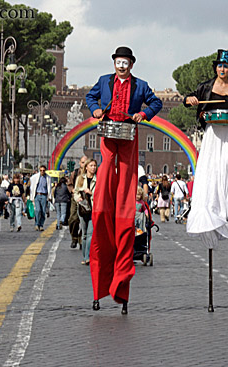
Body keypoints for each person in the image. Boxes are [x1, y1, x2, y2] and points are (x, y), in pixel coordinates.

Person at [86, 46, 163, 314]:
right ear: (115, 64)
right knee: (106, 169)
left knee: (128, 174)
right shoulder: (104, 81)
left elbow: (156, 102)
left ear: (131, 64)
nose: (121, 66)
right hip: (108, 133)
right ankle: (104, 201)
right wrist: (96, 109)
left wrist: (144, 114)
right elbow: (90, 97)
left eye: (125, 63)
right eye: (118, 62)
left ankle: (123, 202)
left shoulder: (140, 85)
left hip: (129, 133)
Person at [184, 49, 228, 248]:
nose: (222, 69)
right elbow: (188, 99)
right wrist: (189, 100)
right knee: (211, 165)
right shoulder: (205, 87)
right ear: (215, 67)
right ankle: (210, 209)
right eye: (219, 66)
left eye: (225, 66)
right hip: (213, 129)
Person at [74, 159, 97, 265]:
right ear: (86, 167)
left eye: (95, 166)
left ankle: (87, 256)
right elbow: (76, 192)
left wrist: (91, 193)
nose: (93, 167)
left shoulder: (98, 179)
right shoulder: (80, 179)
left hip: (93, 209)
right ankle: (84, 256)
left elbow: (100, 194)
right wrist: (78, 198)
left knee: (90, 234)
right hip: (83, 209)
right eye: (91, 165)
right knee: (84, 234)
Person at [69, 156, 87, 248]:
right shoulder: (75, 173)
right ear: (80, 163)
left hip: (86, 199)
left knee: (85, 220)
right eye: (83, 162)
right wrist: (73, 191)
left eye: (86, 162)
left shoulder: (90, 173)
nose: (84, 164)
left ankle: (81, 239)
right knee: (73, 219)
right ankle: (74, 237)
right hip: (75, 198)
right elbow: (70, 184)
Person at [29, 165, 52, 231]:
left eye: (43, 170)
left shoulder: (48, 178)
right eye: (41, 170)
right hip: (37, 195)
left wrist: (49, 197)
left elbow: (49, 188)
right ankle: (36, 224)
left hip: (44, 196)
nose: (42, 172)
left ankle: (41, 225)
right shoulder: (36, 177)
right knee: (37, 210)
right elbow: (32, 184)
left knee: (43, 211)